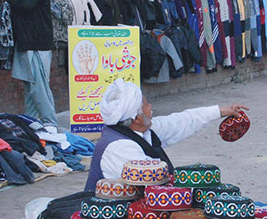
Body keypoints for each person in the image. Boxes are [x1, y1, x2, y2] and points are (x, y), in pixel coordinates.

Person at [84, 79, 247, 191]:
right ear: (137, 117)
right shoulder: (119, 147)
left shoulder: (142, 130)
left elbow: (181, 121)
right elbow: (154, 181)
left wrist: (220, 111)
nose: (151, 106)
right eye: (146, 104)